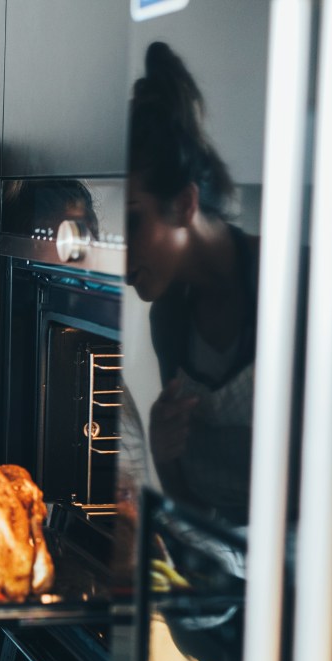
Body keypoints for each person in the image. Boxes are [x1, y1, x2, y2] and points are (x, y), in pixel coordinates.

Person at [125, 42, 258, 528]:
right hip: (225, 562)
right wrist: (164, 449)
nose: (122, 255)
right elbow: (190, 506)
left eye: (133, 222)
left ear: (183, 205)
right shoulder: (170, 318)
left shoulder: (296, 285)